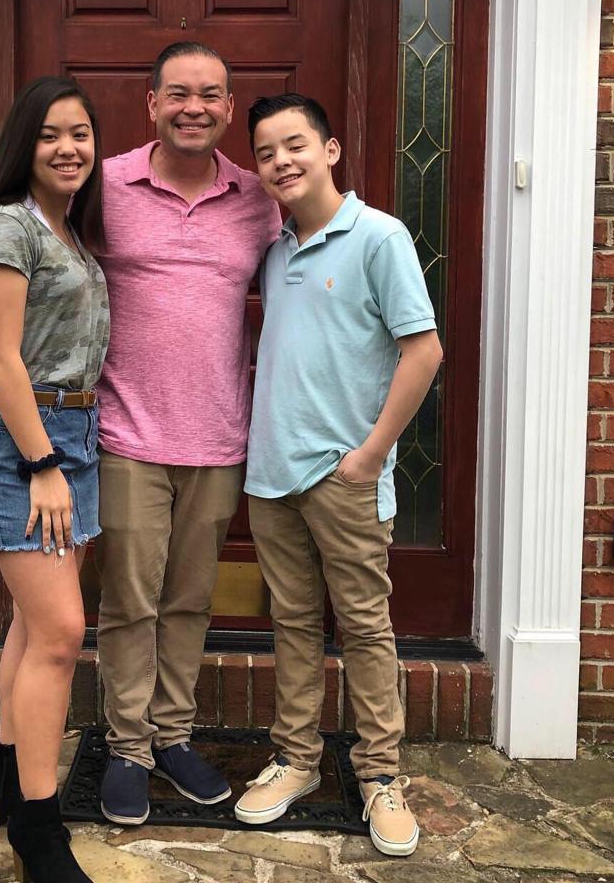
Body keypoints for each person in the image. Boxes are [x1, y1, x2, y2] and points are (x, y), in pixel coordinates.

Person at [236, 93, 442, 857]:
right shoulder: (276, 247)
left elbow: (423, 351)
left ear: (330, 150)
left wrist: (371, 453)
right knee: (292, 625)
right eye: (264, 152)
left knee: (363, 626)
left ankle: (381, 776)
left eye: (294, 144)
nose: (280, 161)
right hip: (272, 474)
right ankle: (297, 761)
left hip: (344, 474)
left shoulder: (378, 236)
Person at [96, 42, 281, 824]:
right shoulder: (102, 184)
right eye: (177, 93)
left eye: (209, 95)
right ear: (151, 104)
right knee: (130, 600)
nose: (193, 107)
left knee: (189, 601)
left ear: (230, 109)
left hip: (218, 436)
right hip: (126, 430)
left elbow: (313, 285)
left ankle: (173, 737)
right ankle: (127, 749)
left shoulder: (259, 198)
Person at [0, 76, 109, 883]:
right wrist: (43, 463)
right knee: (58, 635)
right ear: (26, 141)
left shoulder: (69, 230)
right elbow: (0, 358)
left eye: (81, 133)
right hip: (22, 440)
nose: (69, 147)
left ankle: (3, 777)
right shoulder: (8, 226)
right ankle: (39, 831)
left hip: (74, 432)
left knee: (31, 622)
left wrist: (67, 452)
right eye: (52, 134)